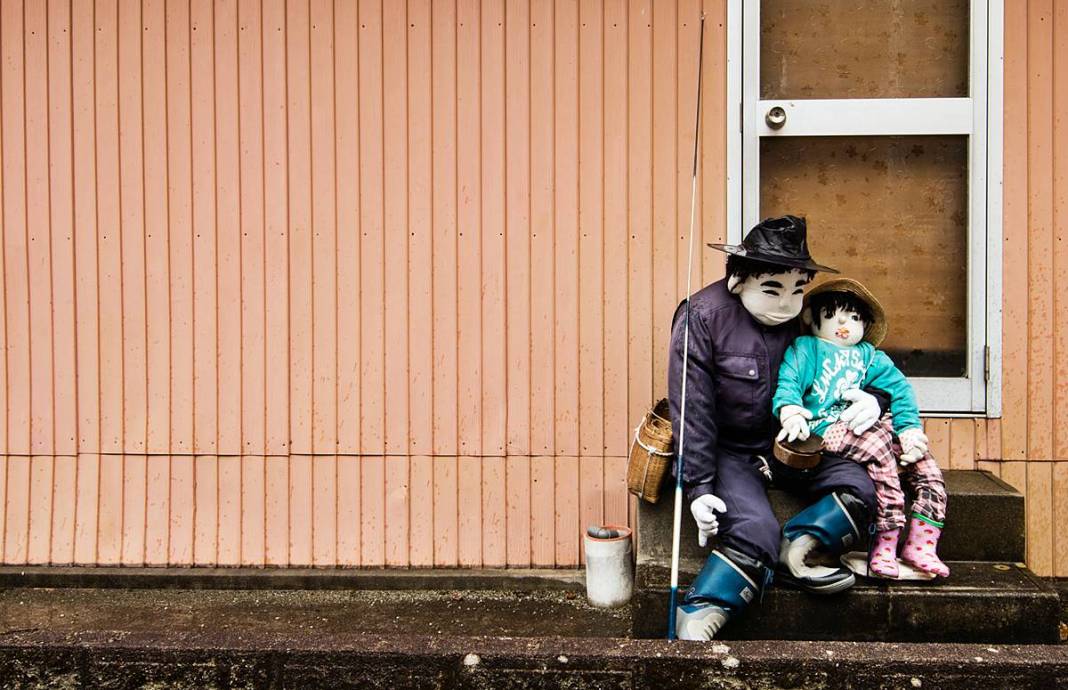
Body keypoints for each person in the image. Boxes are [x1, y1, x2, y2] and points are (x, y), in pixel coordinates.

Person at [668, 215, 885, 641]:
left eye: (797, 290)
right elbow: (691, 409)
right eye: (772, 289)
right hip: (728, 450)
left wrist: (876, 400)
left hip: (792, 443)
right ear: (738, 281)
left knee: (861, 487)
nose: (787, 304)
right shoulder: (703, 318)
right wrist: (698, 487)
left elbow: (858, 360)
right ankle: (700, 611)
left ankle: (797, 551)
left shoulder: (804, 319)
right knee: (754, 530)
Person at [772, 278, 949, 579]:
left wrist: (909, 430)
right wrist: (789, 411)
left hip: (864, 423)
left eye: (854, 318)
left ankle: (922, 543)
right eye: (834, 315)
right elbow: (788, 381)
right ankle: (885, 540)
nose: (844, 324)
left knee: (923, 462)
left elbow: (900, 390)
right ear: (811, 317)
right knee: (879, 444)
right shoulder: (806, 348)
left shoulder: (870, 355)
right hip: (824, 428)